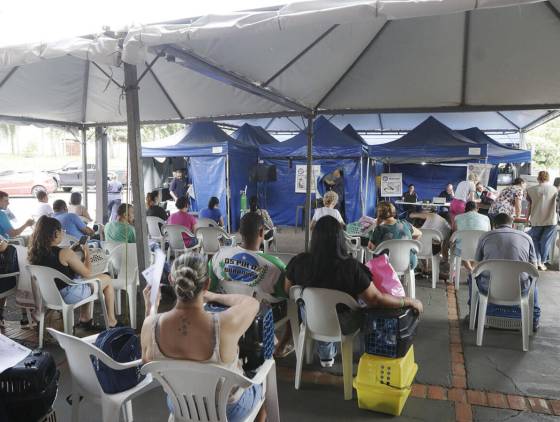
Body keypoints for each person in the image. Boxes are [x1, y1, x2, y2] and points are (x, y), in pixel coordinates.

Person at [141, 253, 267, 422]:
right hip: (228, 412)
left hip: (180, 406)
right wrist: (213, 296)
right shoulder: (224, 325)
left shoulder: (150, 325)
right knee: (263, 377)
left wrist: (150, 307)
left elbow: (146, 361)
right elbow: (251, 303)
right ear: (206, 284)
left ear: (171, 280)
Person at [285, 216, 423, 367]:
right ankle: (365, 353)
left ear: (315, 238)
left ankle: (326, 353)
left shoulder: (298, 262)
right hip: (344, 324)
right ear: (340, 239)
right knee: (366, 308)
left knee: (315, 305)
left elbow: (289, 291)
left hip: (310, 321)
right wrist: (408, 301)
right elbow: (375, 299)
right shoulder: (352, 268)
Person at [209, 212, 292, 356]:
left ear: (240, 232)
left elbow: (210, 288)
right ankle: (282, 344)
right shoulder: (274, 266)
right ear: (261, 232)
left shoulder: (218, 256)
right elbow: (287, 293)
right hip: (258, 315)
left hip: (226, 311)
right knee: (294, 303)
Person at [28, 216, 119, 328]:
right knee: (106, 279)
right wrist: (86, 251)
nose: (63, 232)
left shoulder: (35, 254)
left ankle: (85, 319)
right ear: (56, 233)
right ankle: (111, 321)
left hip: (48, 295)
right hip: (68, 295)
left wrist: (71, 250)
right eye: (61, 231)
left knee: (83, 281)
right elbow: (88, 273)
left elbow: (57, 263)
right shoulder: (64, 253)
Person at [470, 213, 540, 330]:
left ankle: (476, 316)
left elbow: (475, 266)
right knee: (534, 281)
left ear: (494, 225)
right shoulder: (527, 237)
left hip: (490, 288)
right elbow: (534, 269)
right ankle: (534, 319)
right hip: (520, 288)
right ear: (512, 224)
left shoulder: (485, 236)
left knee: (471, 276)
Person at [368, 202, 422, 270]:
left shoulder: (379, 229)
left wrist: (377, 225)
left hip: (388, 264)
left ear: (379, 214)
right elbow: (419, 233)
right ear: (393, 212)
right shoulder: (405, 223)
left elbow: (371, 248)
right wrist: (408, 244)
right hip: (409, 262)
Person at [526, 171, 558, 271]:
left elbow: (529, 205)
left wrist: (527, 218)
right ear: (548, 178)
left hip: (536, 219)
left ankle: (537, 260)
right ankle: (542, 262)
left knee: (534, 240)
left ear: (538, 178)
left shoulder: (530, 190)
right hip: (551, 219)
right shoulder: (555, 189)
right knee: (545, 242)